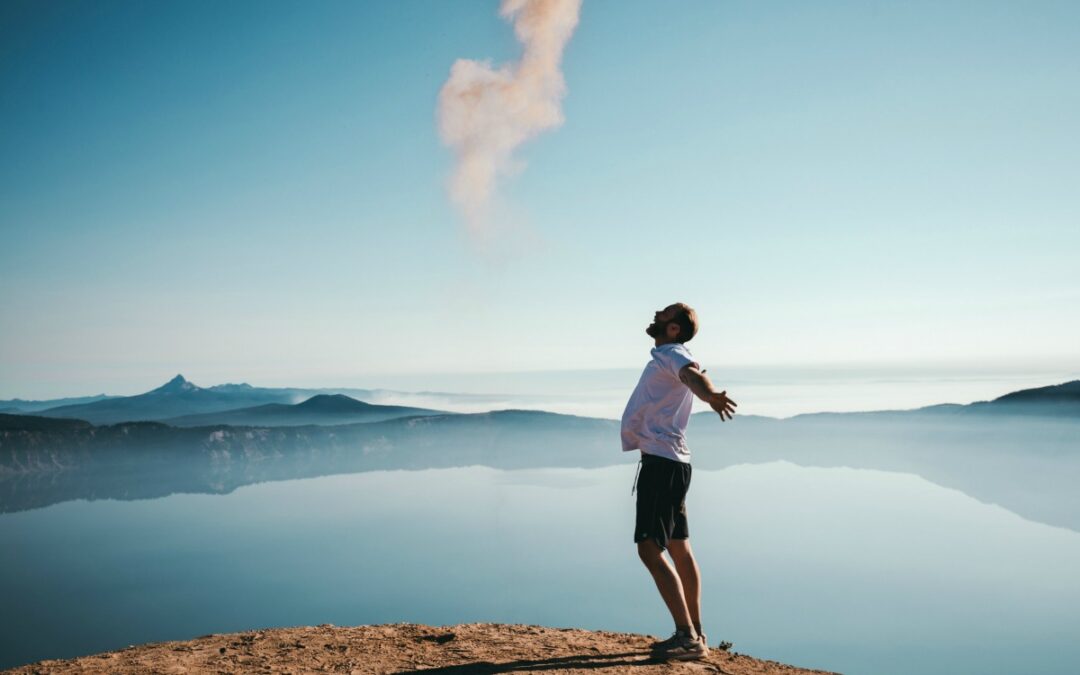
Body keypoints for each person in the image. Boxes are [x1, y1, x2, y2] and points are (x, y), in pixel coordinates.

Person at [621, 302, 736, 661]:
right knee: (678, 545)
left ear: (673, 329)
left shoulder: (673, 354)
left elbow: (692, 375)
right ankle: (695, 632)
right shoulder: (669, 354)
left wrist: (710, 395)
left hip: (662, 463)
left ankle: (687, 638)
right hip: (672, 462)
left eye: (664, 314)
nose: (655, 314)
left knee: (649, 548)